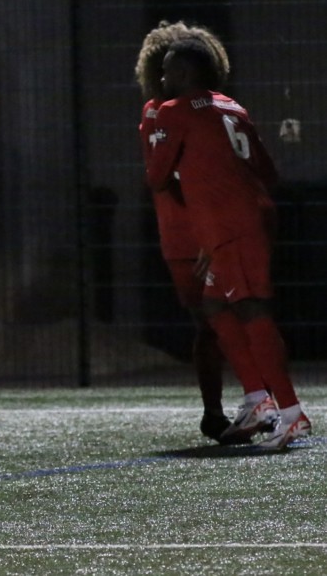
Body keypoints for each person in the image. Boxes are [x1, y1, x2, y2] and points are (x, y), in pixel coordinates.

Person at [147, 38, 312, 450]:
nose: (163, 78)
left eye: (168, 70)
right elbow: (266, 169)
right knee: (215, 304)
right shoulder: (232, 106)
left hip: (230, 224)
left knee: (250, 307)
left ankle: (291, 413)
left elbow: (156, 177)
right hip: (246, 215)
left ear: (184, 74)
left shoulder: (172, 110)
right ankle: (258, 398)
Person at [133, 21, 252, 443]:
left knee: (228, 319)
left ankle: (234, 409)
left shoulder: (205, 111)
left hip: (211, 232)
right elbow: (169, 179)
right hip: (190, 239)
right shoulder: (158, 114)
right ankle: (230, 410)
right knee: (217, 320)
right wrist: (208, 232)